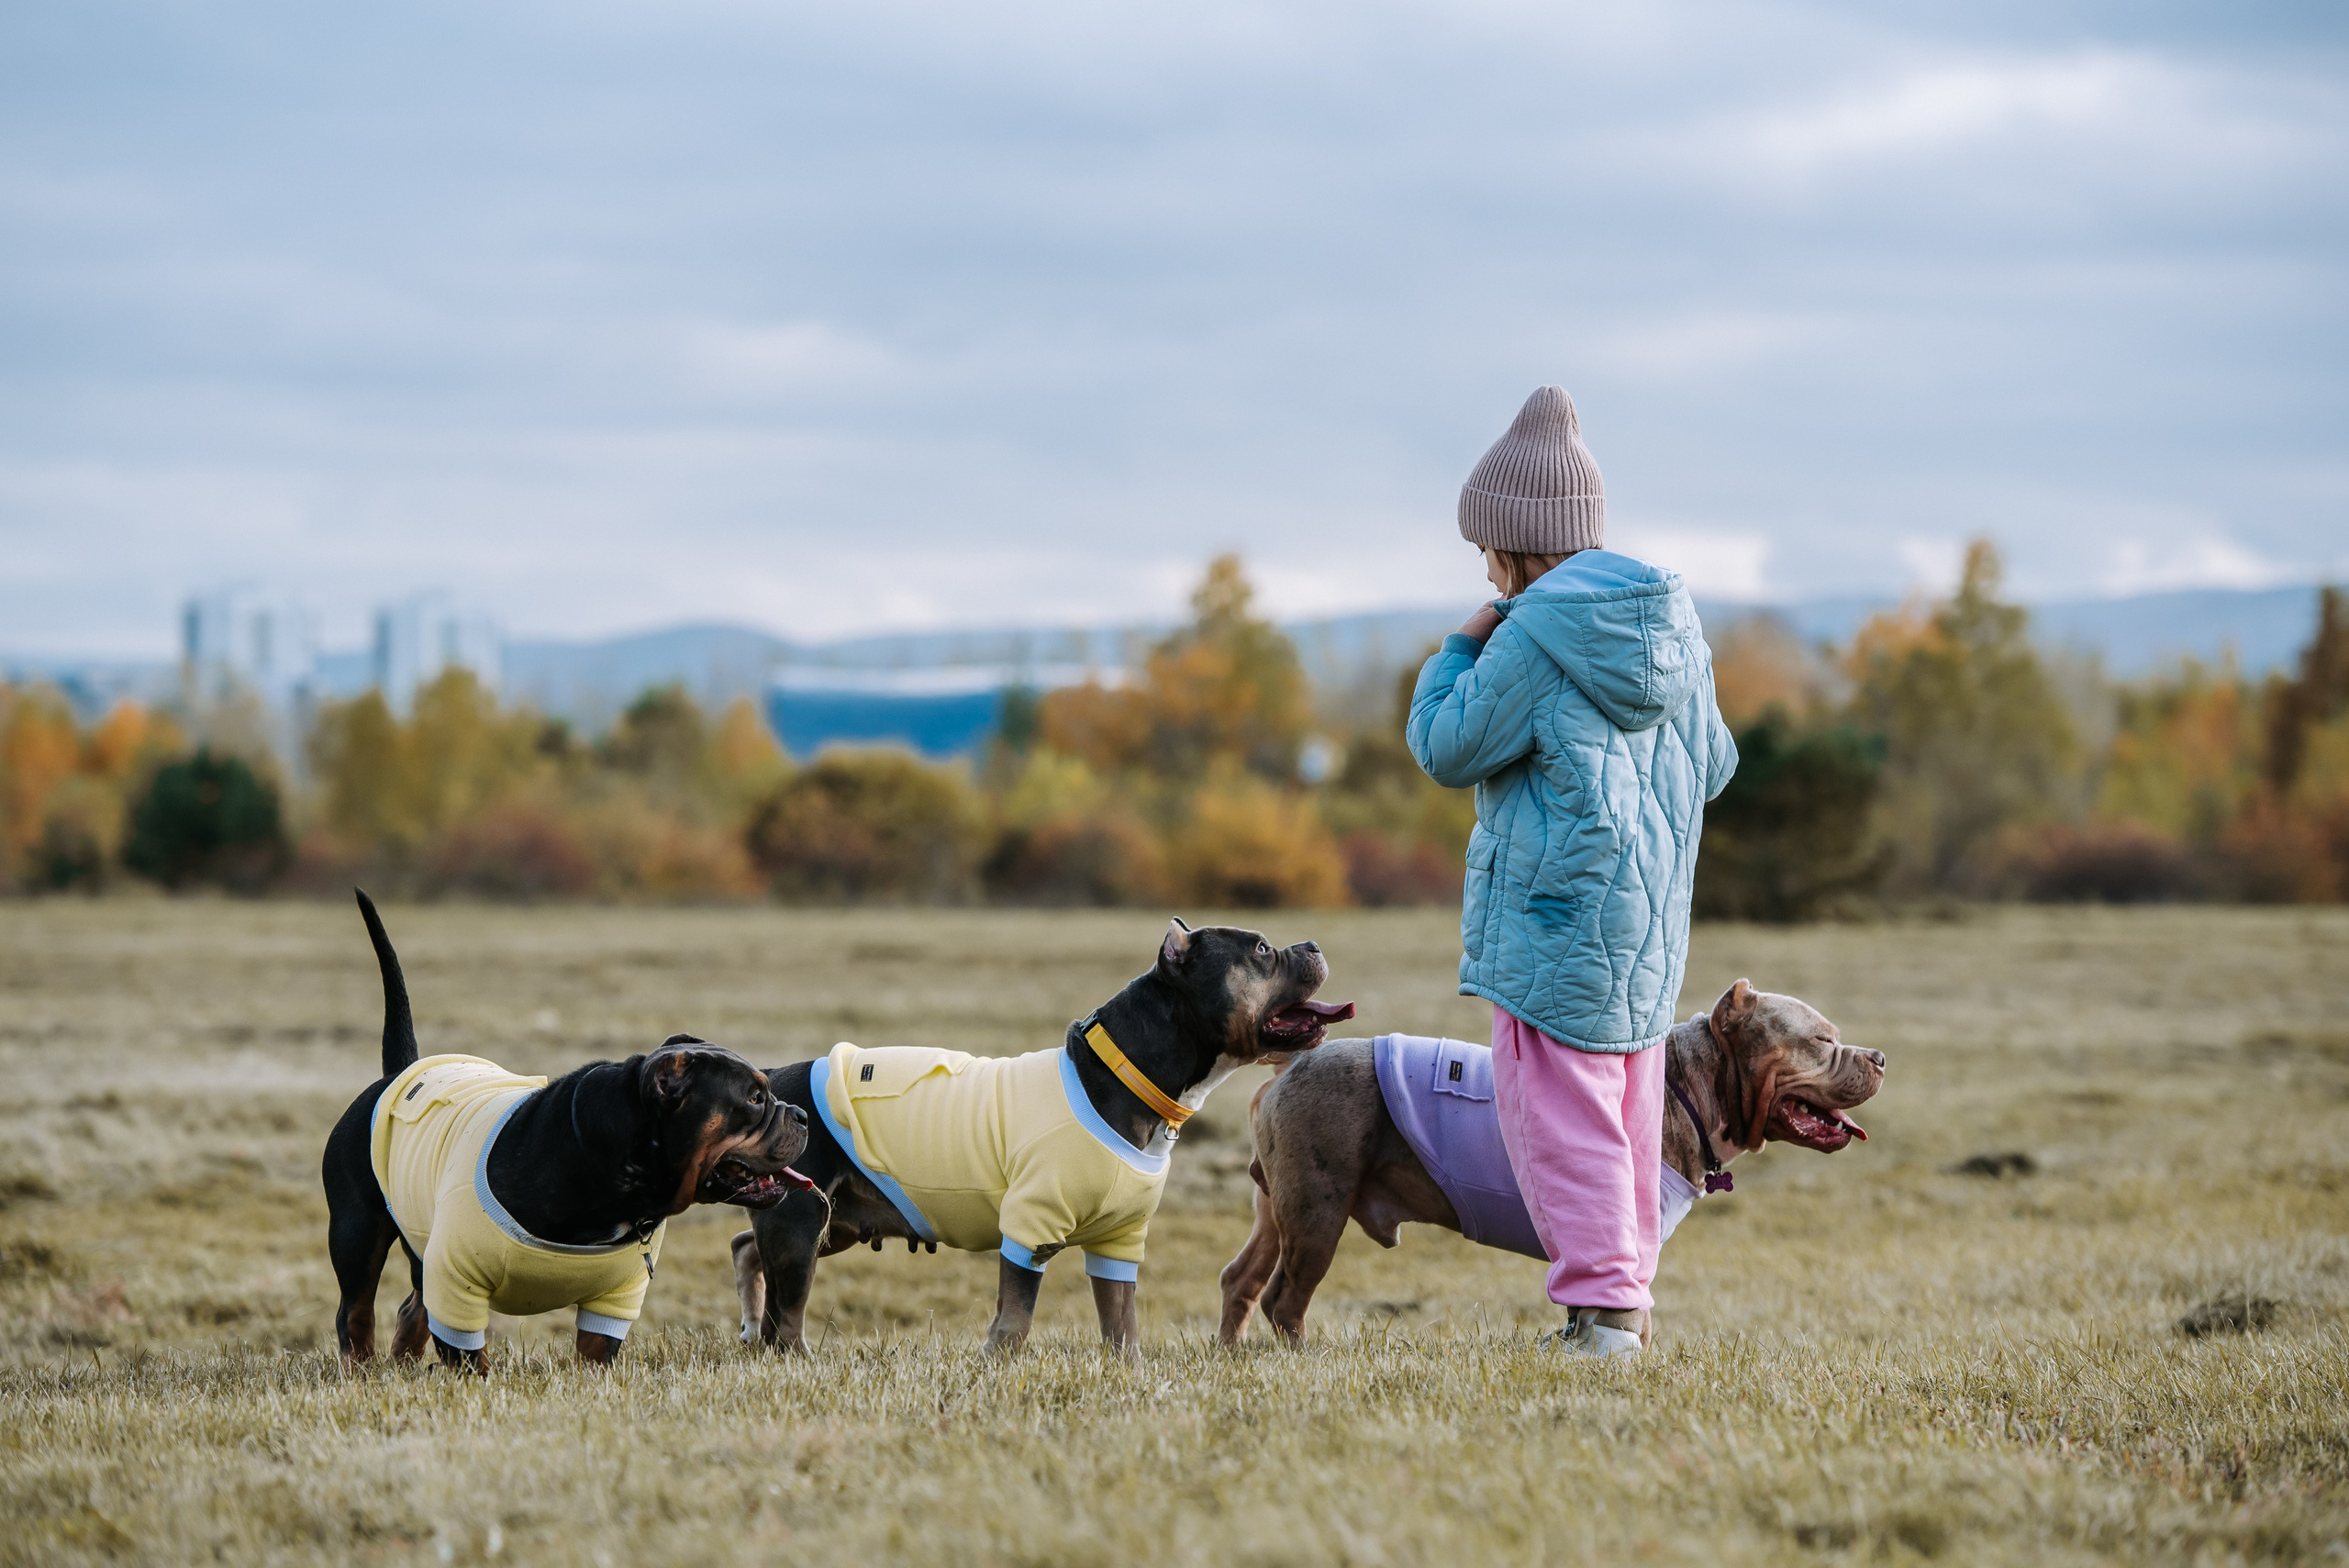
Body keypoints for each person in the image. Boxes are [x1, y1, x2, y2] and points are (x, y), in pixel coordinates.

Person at [1406, 384, 1737, 1358]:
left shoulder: (1529, 636)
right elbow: (1713, 764)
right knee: (1627, 1122)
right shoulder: (1675, 633)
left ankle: (1603, 1326)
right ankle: (1620, 1309)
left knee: (1562, 1129)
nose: (1484, 568)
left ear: (1511, 545)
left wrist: (1460, 645)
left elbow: (1446, 744)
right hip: (1645, 935)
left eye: (1485, 551)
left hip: (1553, 927)